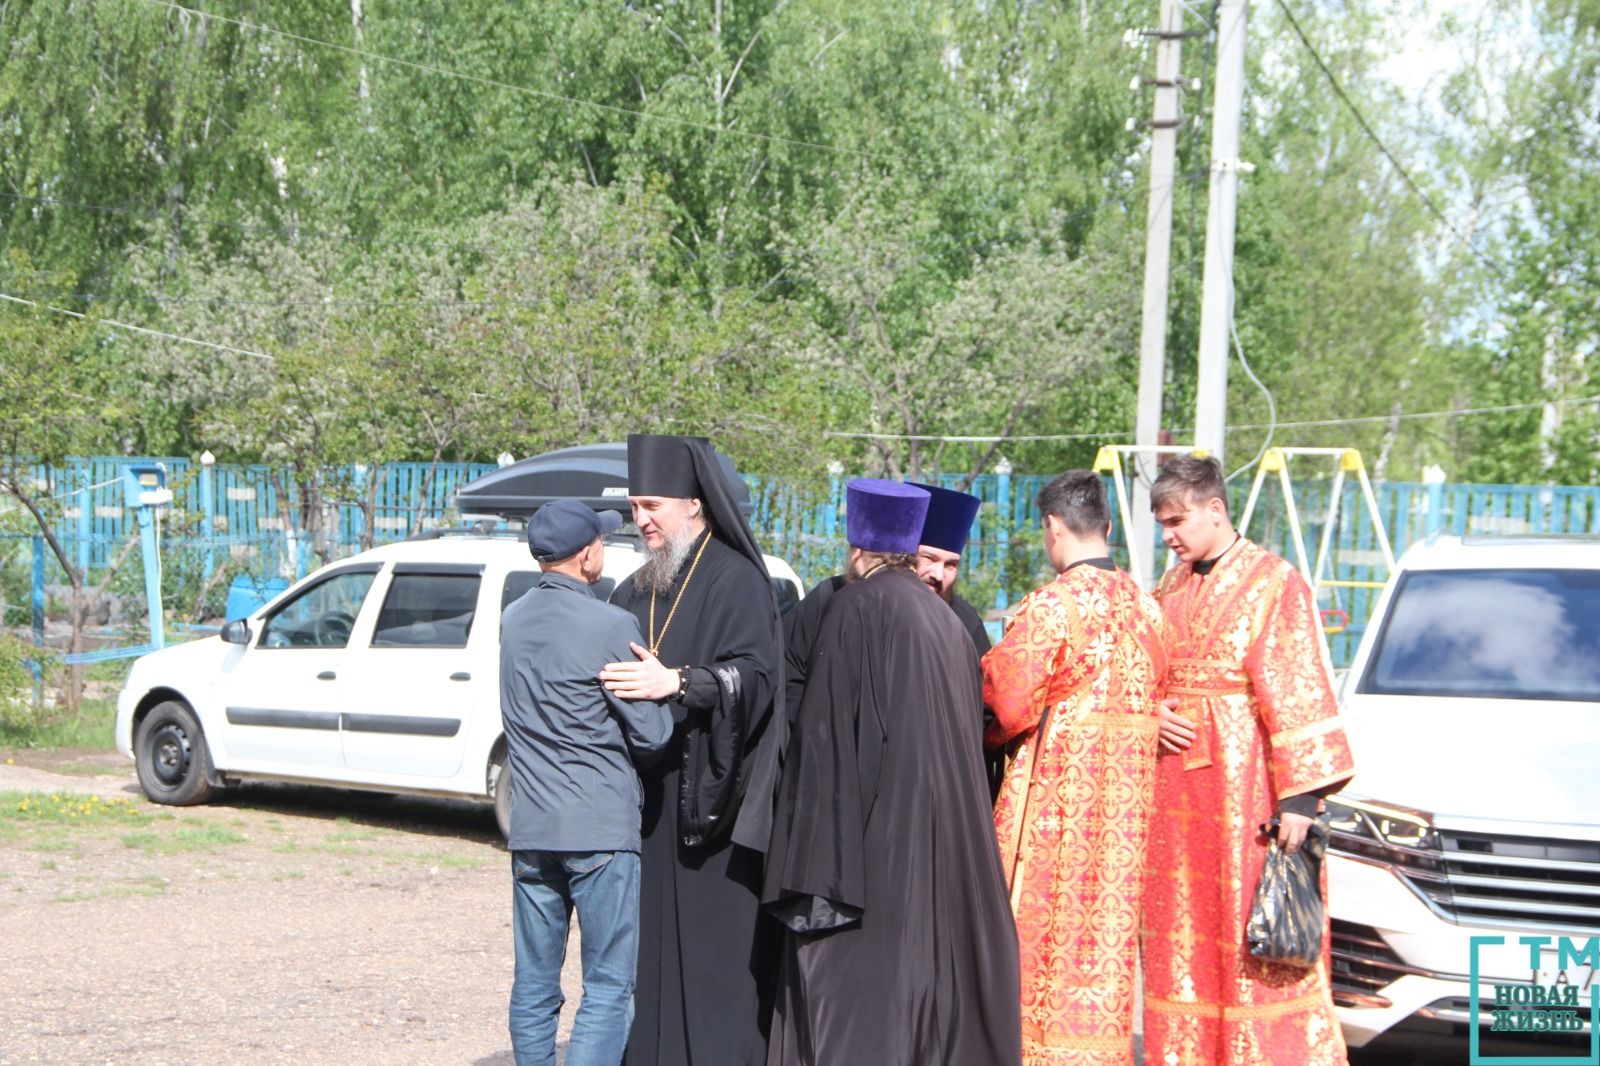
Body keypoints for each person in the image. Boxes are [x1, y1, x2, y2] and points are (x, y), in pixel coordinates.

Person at [762, 479, 1022, 1066]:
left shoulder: (856, 605)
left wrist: (811, 870)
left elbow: (826, 743)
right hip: (942, 843)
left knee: (854, 1004)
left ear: (857, 550)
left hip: (873, 850)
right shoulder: (947, 624)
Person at [1141, 455, 1356, 1066]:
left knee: (1251, 927)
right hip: (1174, 795)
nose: (1169, 536)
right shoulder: (1171, 585)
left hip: (1248, 793)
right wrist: (1152, 712)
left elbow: (1298, 684)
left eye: (1178, 521)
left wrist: (1300, 801)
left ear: (1216, 509)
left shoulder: (1275, 580)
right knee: (1181, 933)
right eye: (1162, 524)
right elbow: (1147, 672)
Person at [598, 434, 783, 1066]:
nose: (641, 520)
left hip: (715, 809)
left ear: (696, 506)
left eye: (653, 505)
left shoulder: (738, 580)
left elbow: (758, 678)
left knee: (714, 966)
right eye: (634, 507)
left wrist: (677, 682)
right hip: (646, 811)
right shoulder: (633, 590)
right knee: (645, 961)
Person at [982, 470, 1169, 1066]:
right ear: (1108, 528)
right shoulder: (1149, 609)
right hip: (1124, 824)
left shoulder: (1051, 608)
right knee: (1104, 950)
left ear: (1053, 528)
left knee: (1041, 943)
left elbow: (1005, 701)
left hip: (1055, 819)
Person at [501, 499, 674, 1066]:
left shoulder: (513, 618)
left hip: (530, 827)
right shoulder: (612, 624)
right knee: (606, 984)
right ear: (588, 555)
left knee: (535, 981)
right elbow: (650, 734)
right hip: (599, 828)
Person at [910, 480, 992, 654]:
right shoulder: (864, 603)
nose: (938, 575)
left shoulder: (966, 621)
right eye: (929, 558)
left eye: (950, 565)